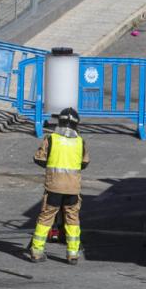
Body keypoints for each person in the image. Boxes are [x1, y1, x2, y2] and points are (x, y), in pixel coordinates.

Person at [28, 107, 88, 264]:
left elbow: (38, 158)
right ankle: (73, 254)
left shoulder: (51, 139)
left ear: (59, 122)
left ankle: (36, 251)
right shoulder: (80, 142)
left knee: (46, 217)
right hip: (73, 188)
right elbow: (84, 163)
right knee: (72, 218)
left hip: (54, 186)